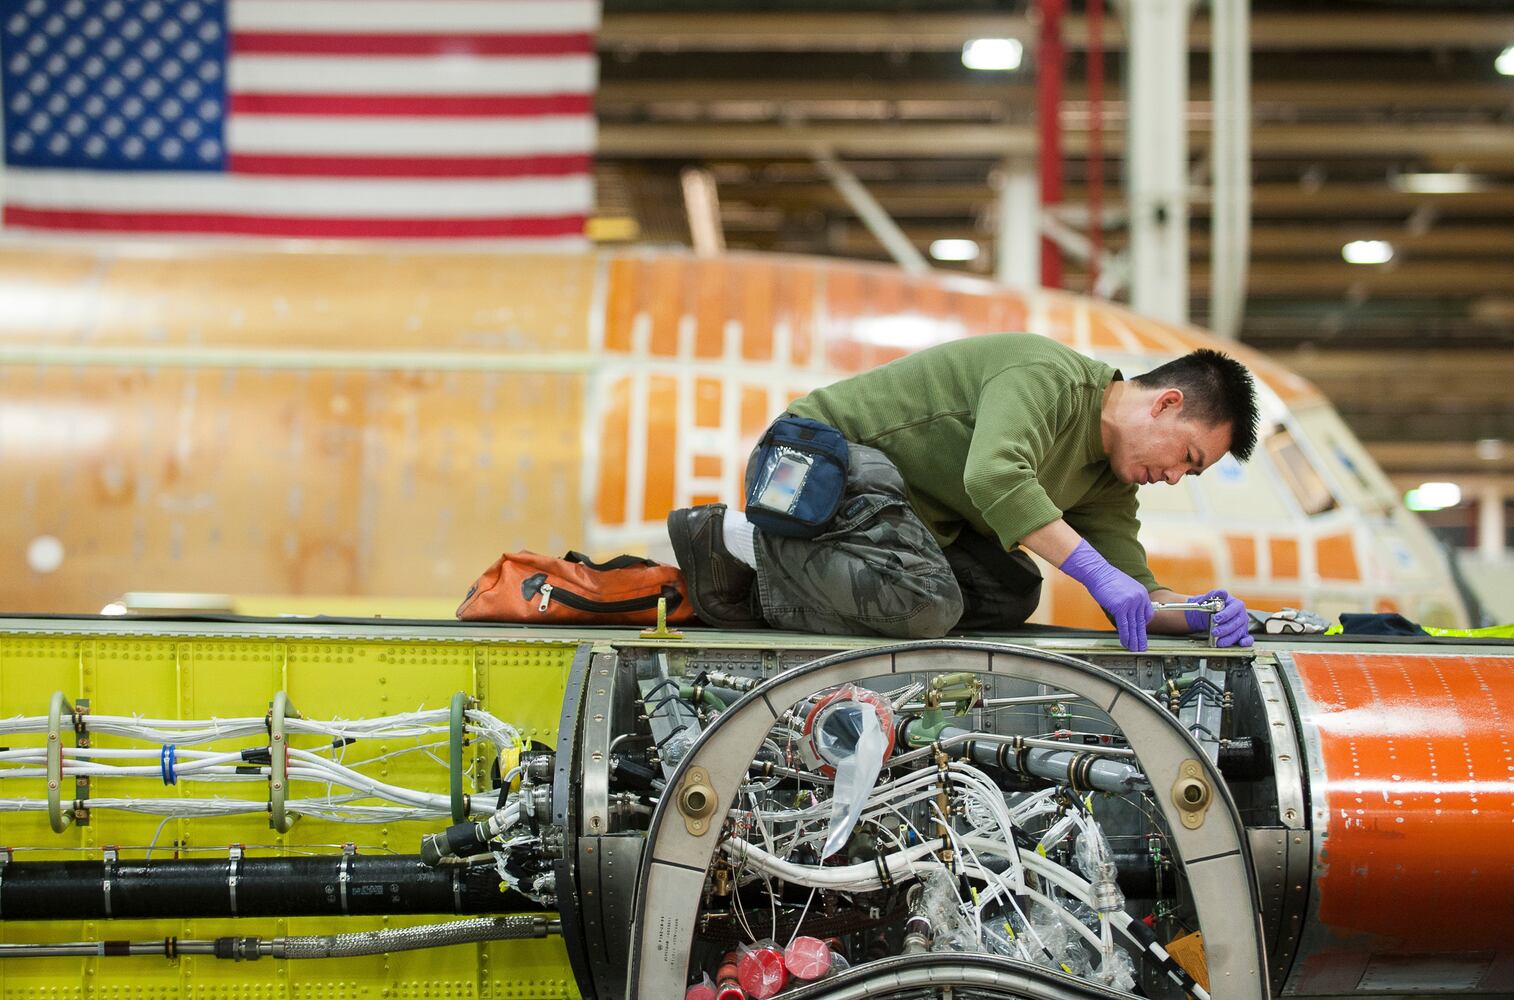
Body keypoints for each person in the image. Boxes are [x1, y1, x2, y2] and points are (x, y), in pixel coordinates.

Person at [666, 333, 1259, 651]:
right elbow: (995, 476)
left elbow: (1135, 588)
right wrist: (1095, 573)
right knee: (929, 606)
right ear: (1166, 403)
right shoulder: (1045, 375)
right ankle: (729, 537)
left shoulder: (1106, 480)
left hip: (895, 511)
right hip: (815, 465)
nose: (1176, 477)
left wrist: (1198, 614)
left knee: (1011, 593)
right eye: (1186, 457)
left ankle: (768, 580)